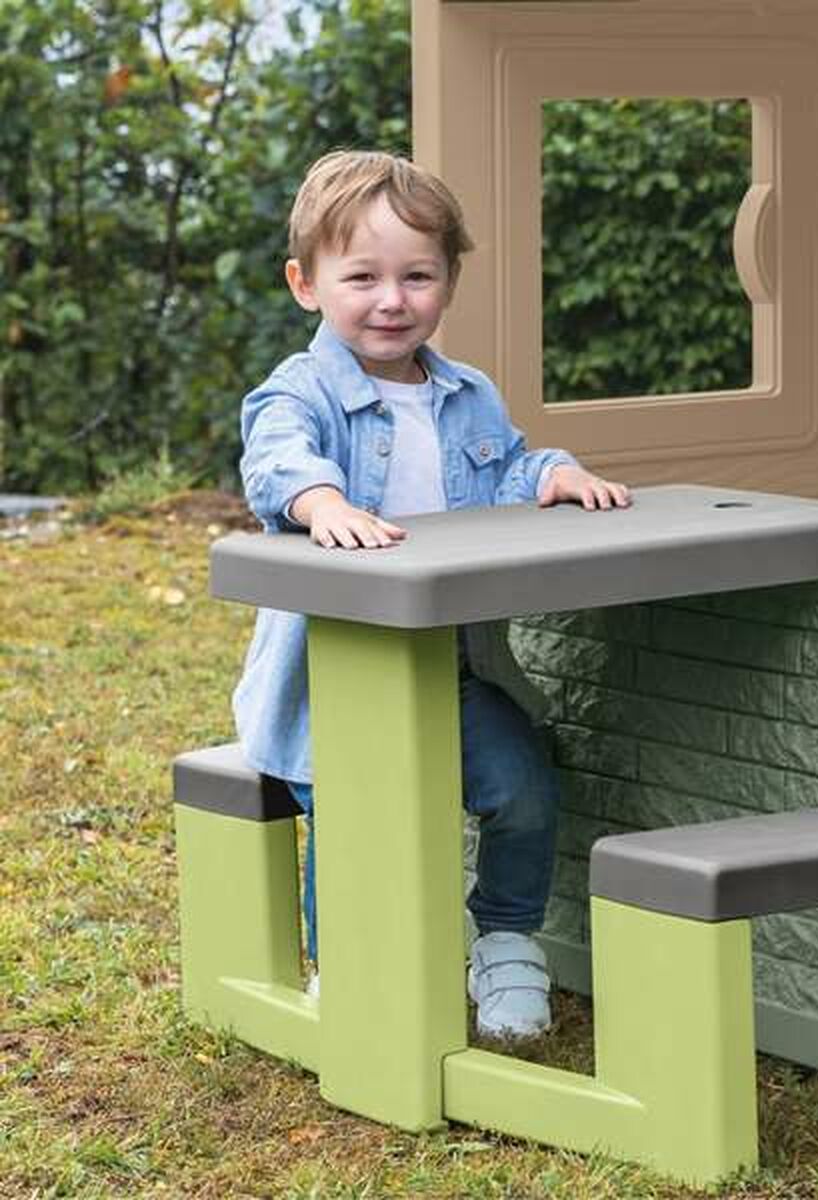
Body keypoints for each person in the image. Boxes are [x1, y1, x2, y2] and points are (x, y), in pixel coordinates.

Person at [232, 149, 630, 1038]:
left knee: (523, 788)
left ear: (448, 281)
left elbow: (507, 467)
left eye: (417, 276)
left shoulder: (467, 394)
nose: (391, 299)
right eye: (362, 277)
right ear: (306, 284)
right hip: (340, 679)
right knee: (357, 817)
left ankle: (506, 940)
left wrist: (553, 475)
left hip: (457, 667)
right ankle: (351, 968)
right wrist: (322, 501)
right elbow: (276, 459)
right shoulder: (299, 392)